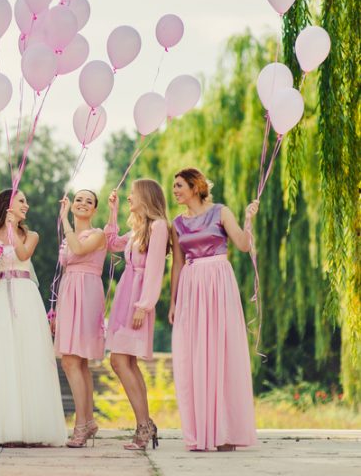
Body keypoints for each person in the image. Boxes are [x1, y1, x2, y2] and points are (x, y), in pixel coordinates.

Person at [0, 189, 67, 446]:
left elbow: (22, 255)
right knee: (1, 357)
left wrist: (12, 228)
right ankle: (3, 428)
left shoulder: (31, 235)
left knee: (28, 355)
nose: (27, 205)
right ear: (8, 204)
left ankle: (33, 430)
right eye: (22, 200)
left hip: (25, 297)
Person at [169, 167, 259, 451]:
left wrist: (247, 219)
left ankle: (225, 431)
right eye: (174, 186)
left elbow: (243, 246)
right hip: (192, 285)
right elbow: (177, 264)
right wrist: (173, 301)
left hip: (219, 280)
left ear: (195, 187)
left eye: (179, 185)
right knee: (194, 354)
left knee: (222, 351)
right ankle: (201, 432)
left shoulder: (221, 211)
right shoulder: (177, 223)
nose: (175, 190)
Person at [104, 180, 169, 450]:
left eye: (133, 193)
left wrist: (144, 305)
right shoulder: (136, 231)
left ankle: (143, 426)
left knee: (119, 361)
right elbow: (110, 244)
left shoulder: (158, 227)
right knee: (126, 362)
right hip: (125, 299)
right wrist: (112, 211)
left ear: (146, 196)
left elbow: (155, 269)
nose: (129, 196)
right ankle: (145, 425)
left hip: (139, 301)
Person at [54, 190, 106, 447]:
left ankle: (81, 424)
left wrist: (64, 219)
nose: (83, 203)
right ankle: (87, 421)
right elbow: (68, 256)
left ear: (94, 209)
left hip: (86, 293)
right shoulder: (68, 239)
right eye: (79, 199)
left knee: (72, 360)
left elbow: (78, 248)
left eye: (89, 201)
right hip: (69, 292)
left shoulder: (97, 234)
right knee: (76, 362)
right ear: (72, 205)